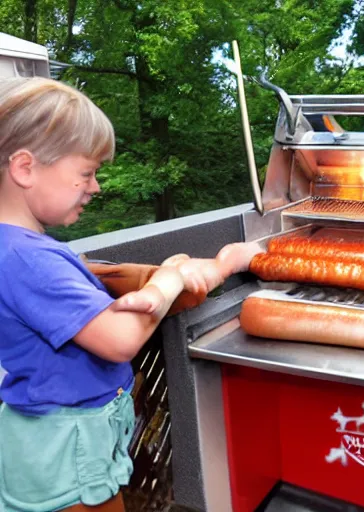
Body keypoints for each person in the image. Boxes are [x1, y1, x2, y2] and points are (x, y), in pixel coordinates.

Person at [0, 77, 225, 512]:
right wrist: (169, 279)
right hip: (66, 450)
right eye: (86, 172)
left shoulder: (19, 248)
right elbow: (119, 340)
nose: (97, 186)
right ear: (24, 168)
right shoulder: (28, 259)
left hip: (53, 440)